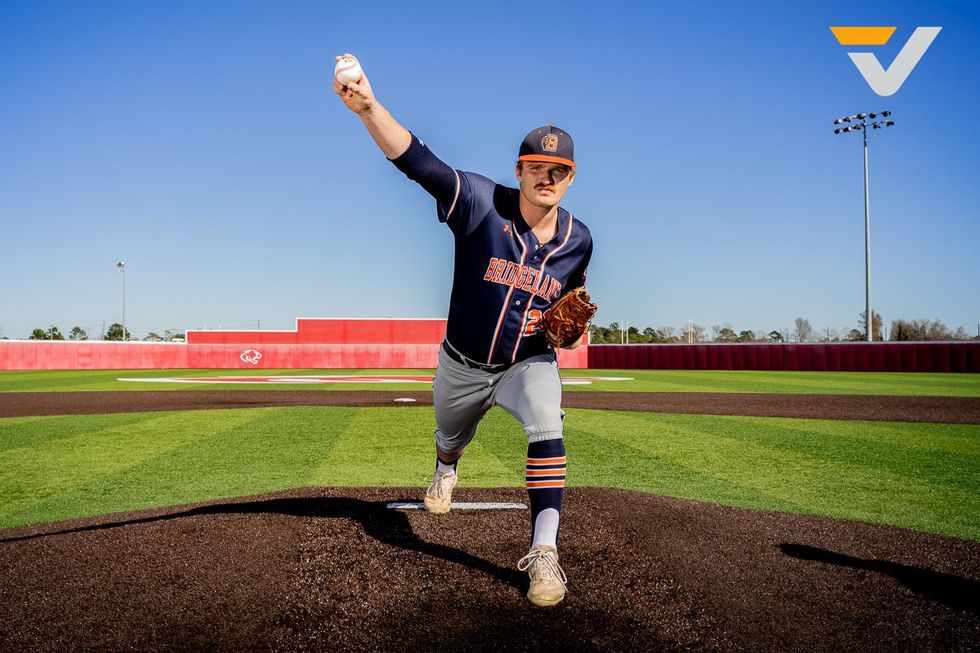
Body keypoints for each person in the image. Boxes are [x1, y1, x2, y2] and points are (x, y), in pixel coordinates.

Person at [334, 54, 593, 607]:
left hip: (526, 363)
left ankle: (545, 554)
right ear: (519, 170)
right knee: (451, 436)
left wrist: (567, 337)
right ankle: (446, 466)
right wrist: (369, 108)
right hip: (461, 363)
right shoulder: (479, 201)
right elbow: (418, 161)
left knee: (548, 420)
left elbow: (572, 324)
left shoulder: (579, 240)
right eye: (536, 167)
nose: (546, 178)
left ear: (570, 178)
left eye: (559, 171)